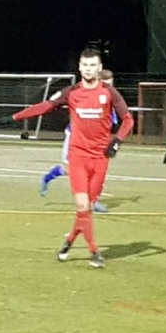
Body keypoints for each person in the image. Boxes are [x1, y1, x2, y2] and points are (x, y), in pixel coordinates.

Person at [14, 49, 133, 268]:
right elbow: (45, 106)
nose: (88, 69)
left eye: (92, 65)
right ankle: (95, 252)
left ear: (99, 68)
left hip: (100, 158)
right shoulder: (71, 92)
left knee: (86, 208)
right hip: (77, 156)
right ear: (79, 67)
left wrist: (117, 141)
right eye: (85, 65)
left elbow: (128, 119)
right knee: (82, 204)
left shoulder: (109, 93)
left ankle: (68, 242)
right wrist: (16, 116)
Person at [39, 69, 116, 213]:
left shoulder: (110, 99)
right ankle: (47, 178)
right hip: (75, 138)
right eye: (106, 85)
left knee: (95, 170)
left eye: (111, 85)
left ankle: (93, 201)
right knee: (71, 170)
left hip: (95, 142)